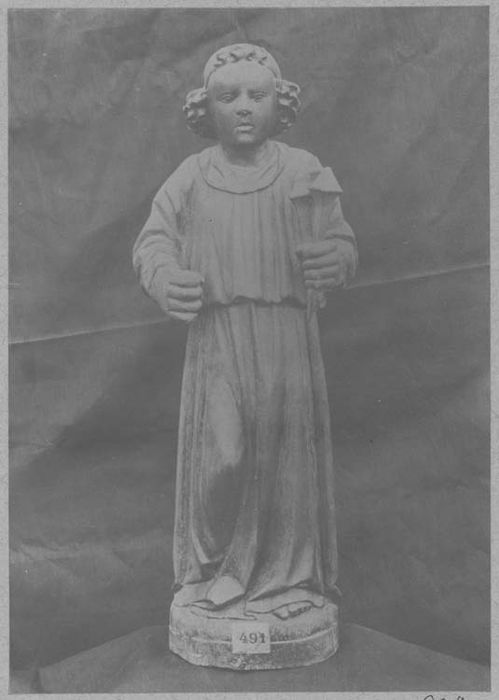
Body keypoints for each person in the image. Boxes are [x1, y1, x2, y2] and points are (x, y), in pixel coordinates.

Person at [133, 44, 358, 622]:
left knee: (286, 461)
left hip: (285, 335)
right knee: (223, 455)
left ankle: (288, 582)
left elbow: (341, 241)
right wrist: (164, 278)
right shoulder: (192, 175)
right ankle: (209, 569)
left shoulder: (302, 168)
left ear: (278, 104)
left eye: (256, 95)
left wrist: (335, 260)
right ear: (204, 108)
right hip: (220, 335)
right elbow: (153, 241)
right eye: (226, 96)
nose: (242, 107)